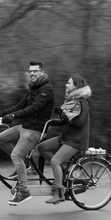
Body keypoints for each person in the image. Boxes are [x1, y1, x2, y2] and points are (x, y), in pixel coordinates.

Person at [0, 61, 54, 205]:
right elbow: (19, 106)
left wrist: (13, 116)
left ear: (42, 72)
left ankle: (23, 191)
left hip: (36, 130)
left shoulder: (46, 90)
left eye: (35, 71)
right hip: (25, 126)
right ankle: (25, 163)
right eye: (30, 72)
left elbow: (34, 108)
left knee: (16, 154)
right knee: (1, 138)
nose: (32, 74)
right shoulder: (33, 89)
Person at [37, 75, 91, 204]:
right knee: (42, 147)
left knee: (55, 161)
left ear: (76, 87)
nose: (66, 85)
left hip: (76, 141)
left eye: (69, 83)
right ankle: (60, 172)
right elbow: (66, 120)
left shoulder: (82, 102)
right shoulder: (71, 101)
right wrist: (49, 121)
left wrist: (62, 113)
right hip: (66, 138)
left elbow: (78, 122)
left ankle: (59, 192)